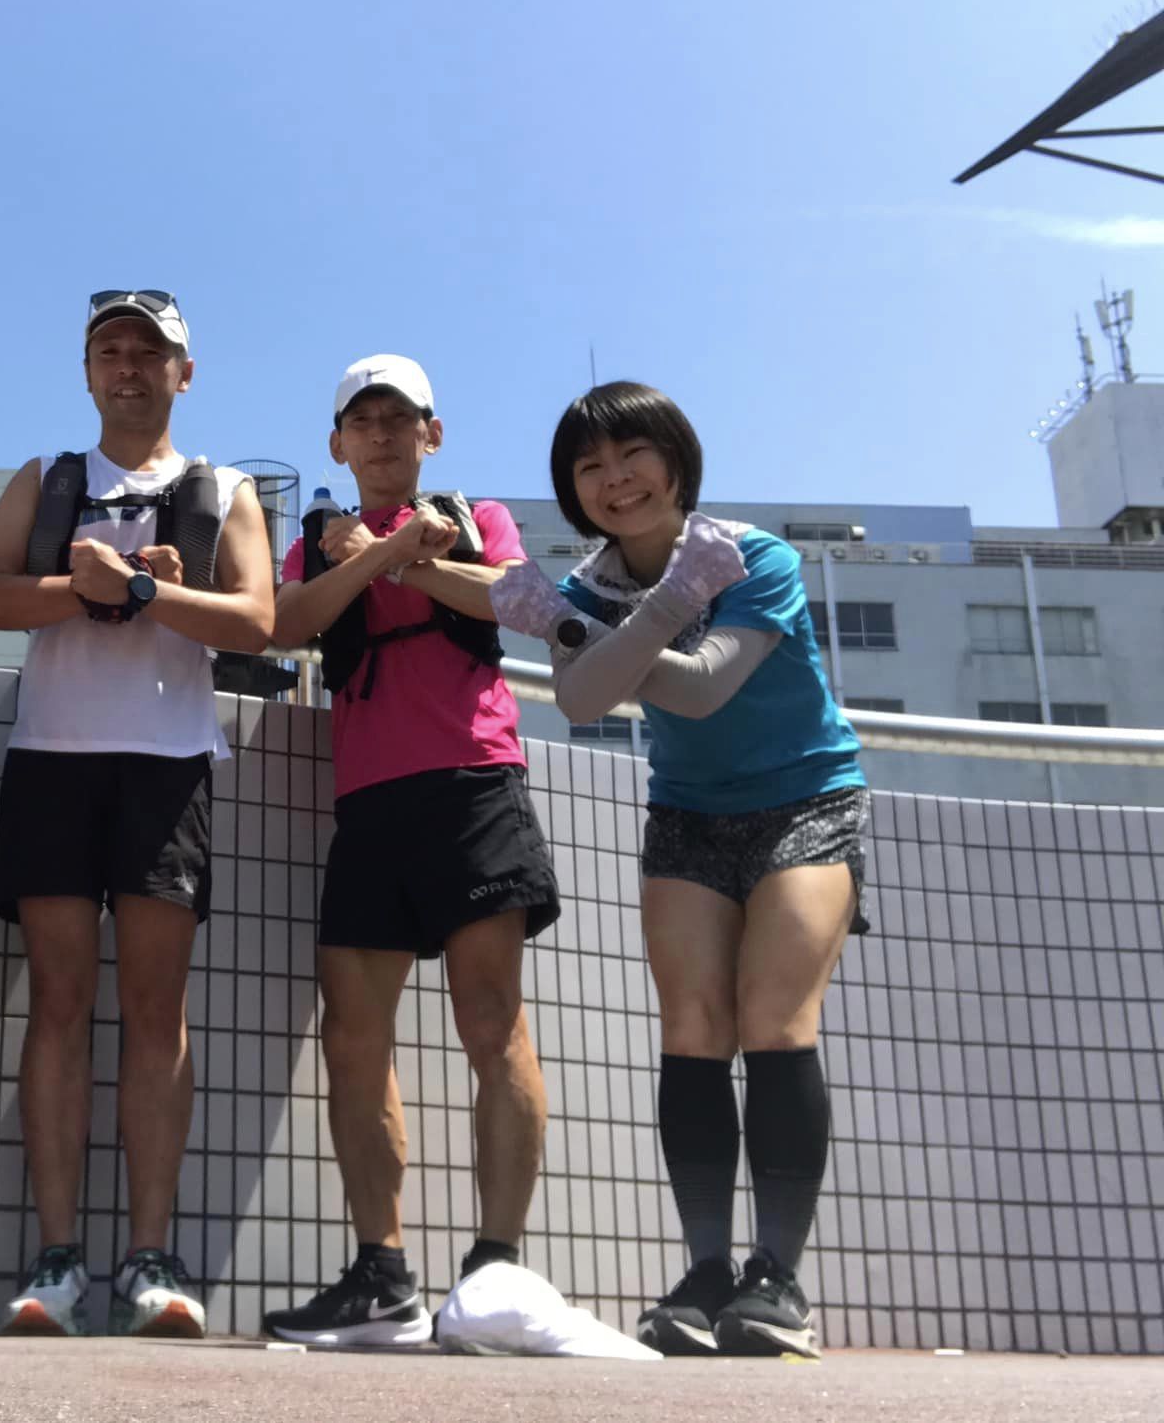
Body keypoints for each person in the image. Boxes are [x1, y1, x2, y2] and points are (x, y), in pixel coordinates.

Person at [489, 380, 867, 1360]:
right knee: (692, 1028)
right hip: (688, 813)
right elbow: (581, 702)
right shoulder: (586, 589)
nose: (615, 479)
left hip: (807, 799)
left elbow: (699, 689)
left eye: (633, 454)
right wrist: (587, 628)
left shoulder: (749, 557)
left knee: (772, 1019)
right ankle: (705, 1272)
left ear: (676, 459)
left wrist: (583, 631)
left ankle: (775, 1279)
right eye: (589, 466)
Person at [0, 291, 275, 1337]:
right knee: (56, 1004)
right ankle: (56, 1258)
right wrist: (88, 584)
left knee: (157, 1011)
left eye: (151, 351)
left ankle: (151, 1256)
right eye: (111, 350)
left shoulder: (224, 488)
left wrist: (142, 595)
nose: (130, 366)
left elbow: (257, 620)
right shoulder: (46, 477)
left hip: (168, 765)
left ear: (185, 372)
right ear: (87, 371)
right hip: (51, 757)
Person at [261, 355, 562, 1346]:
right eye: (363, 420)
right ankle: (381, 1274)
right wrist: (369, 553)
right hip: (367, 801)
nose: (383, 434)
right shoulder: (314, 542)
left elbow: (516, 600)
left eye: (401, 418)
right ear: (337, 444)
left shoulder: (476, 518)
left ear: (432, 434)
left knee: (491, 1021)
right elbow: (286, 622)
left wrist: (406, 559)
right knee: (353, 1037)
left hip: (473, 780)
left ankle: (496, 1267)